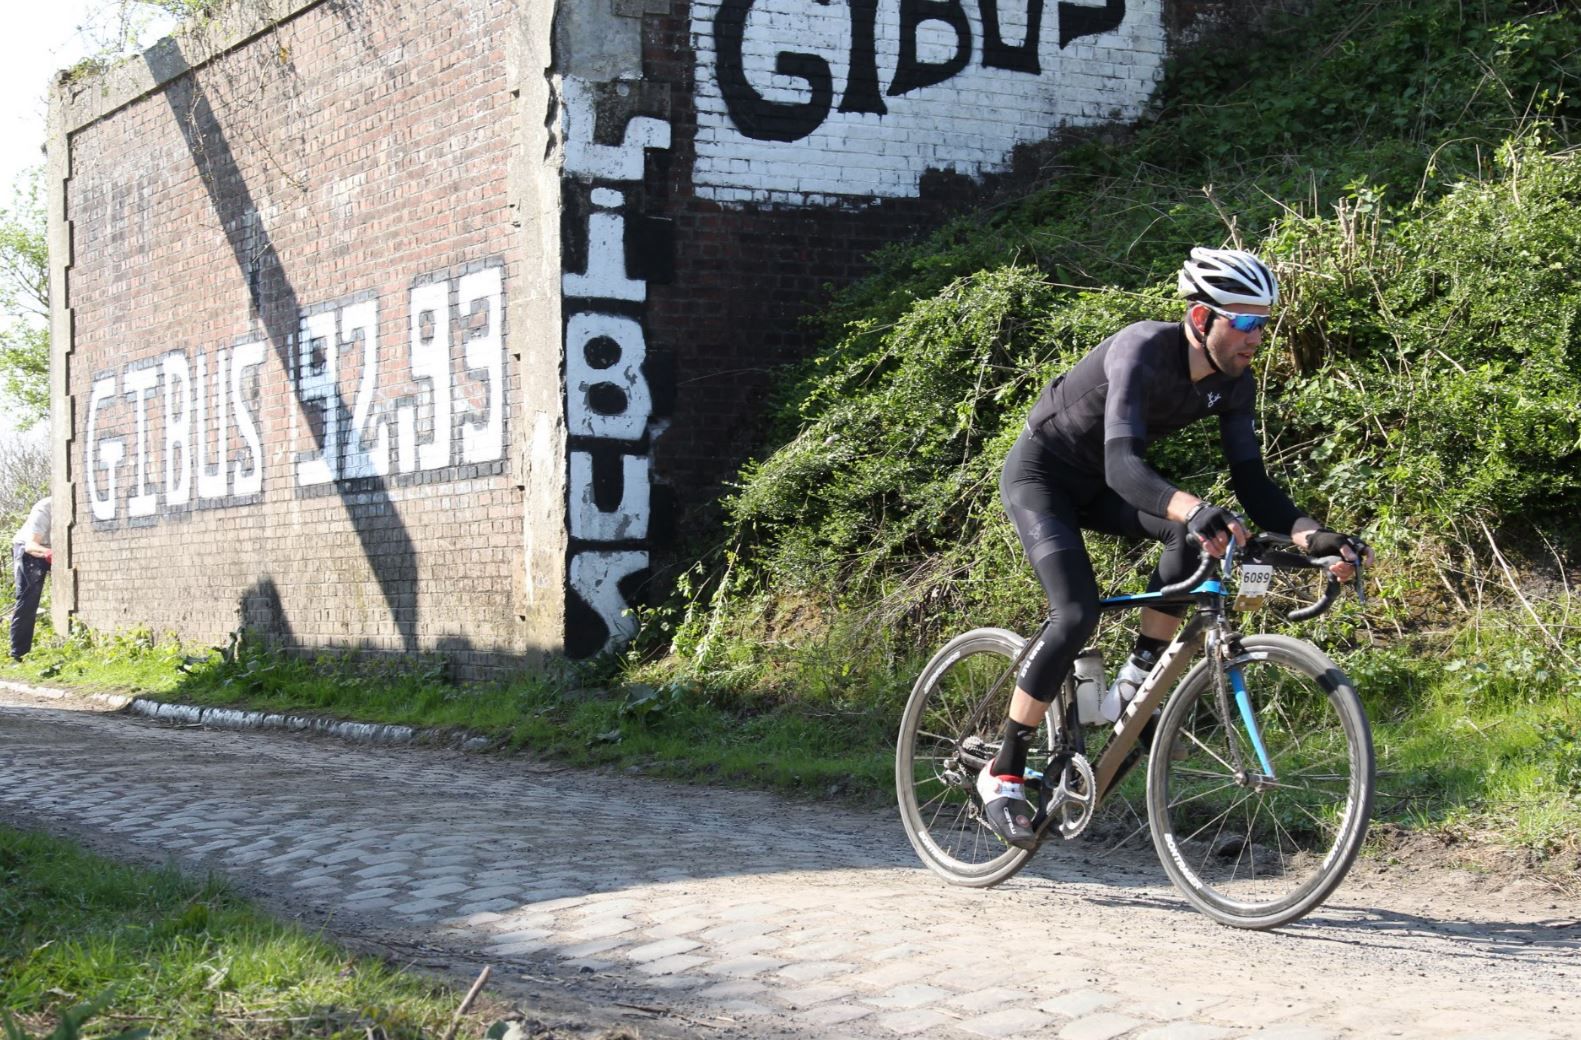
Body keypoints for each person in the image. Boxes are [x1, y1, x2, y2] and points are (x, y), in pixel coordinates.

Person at [980, 247, 1373, 848]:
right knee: (1078, 611)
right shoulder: (1141, 350)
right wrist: (1190, 506)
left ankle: (1134, 681)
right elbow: (1122, 464)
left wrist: (1310, 533)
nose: (1256, 337)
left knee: (1189, 535)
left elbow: (1253, 482)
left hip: (1103, 484)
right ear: (1199, 320)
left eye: (1264, 323)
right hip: (1043, 478)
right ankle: (1003, 772)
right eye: (1243, 322)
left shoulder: (1234, 379)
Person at [10, 496, 52, 662]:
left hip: (54, 548)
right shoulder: (44, 509)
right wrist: (48, 554)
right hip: (29, 550)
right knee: (28, 599)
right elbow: (31, 546)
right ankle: (18, 654)